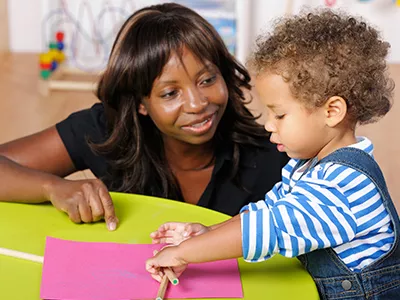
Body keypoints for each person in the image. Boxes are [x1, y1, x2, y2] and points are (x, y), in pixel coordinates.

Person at [146, 9, 400, 299]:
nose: (268, 124)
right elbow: (267, 211)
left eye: (279, 114)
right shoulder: (309, 166)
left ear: (332, 111)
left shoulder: (342, 185)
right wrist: (209, 233)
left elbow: (271, 228)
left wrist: (183, 253)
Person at [0, 3, 288, 230]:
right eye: (170, 93)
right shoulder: (105, 131)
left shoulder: (272, 157)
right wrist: (53, 188)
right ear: (140, 103)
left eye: (207, 80)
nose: (197, 103)